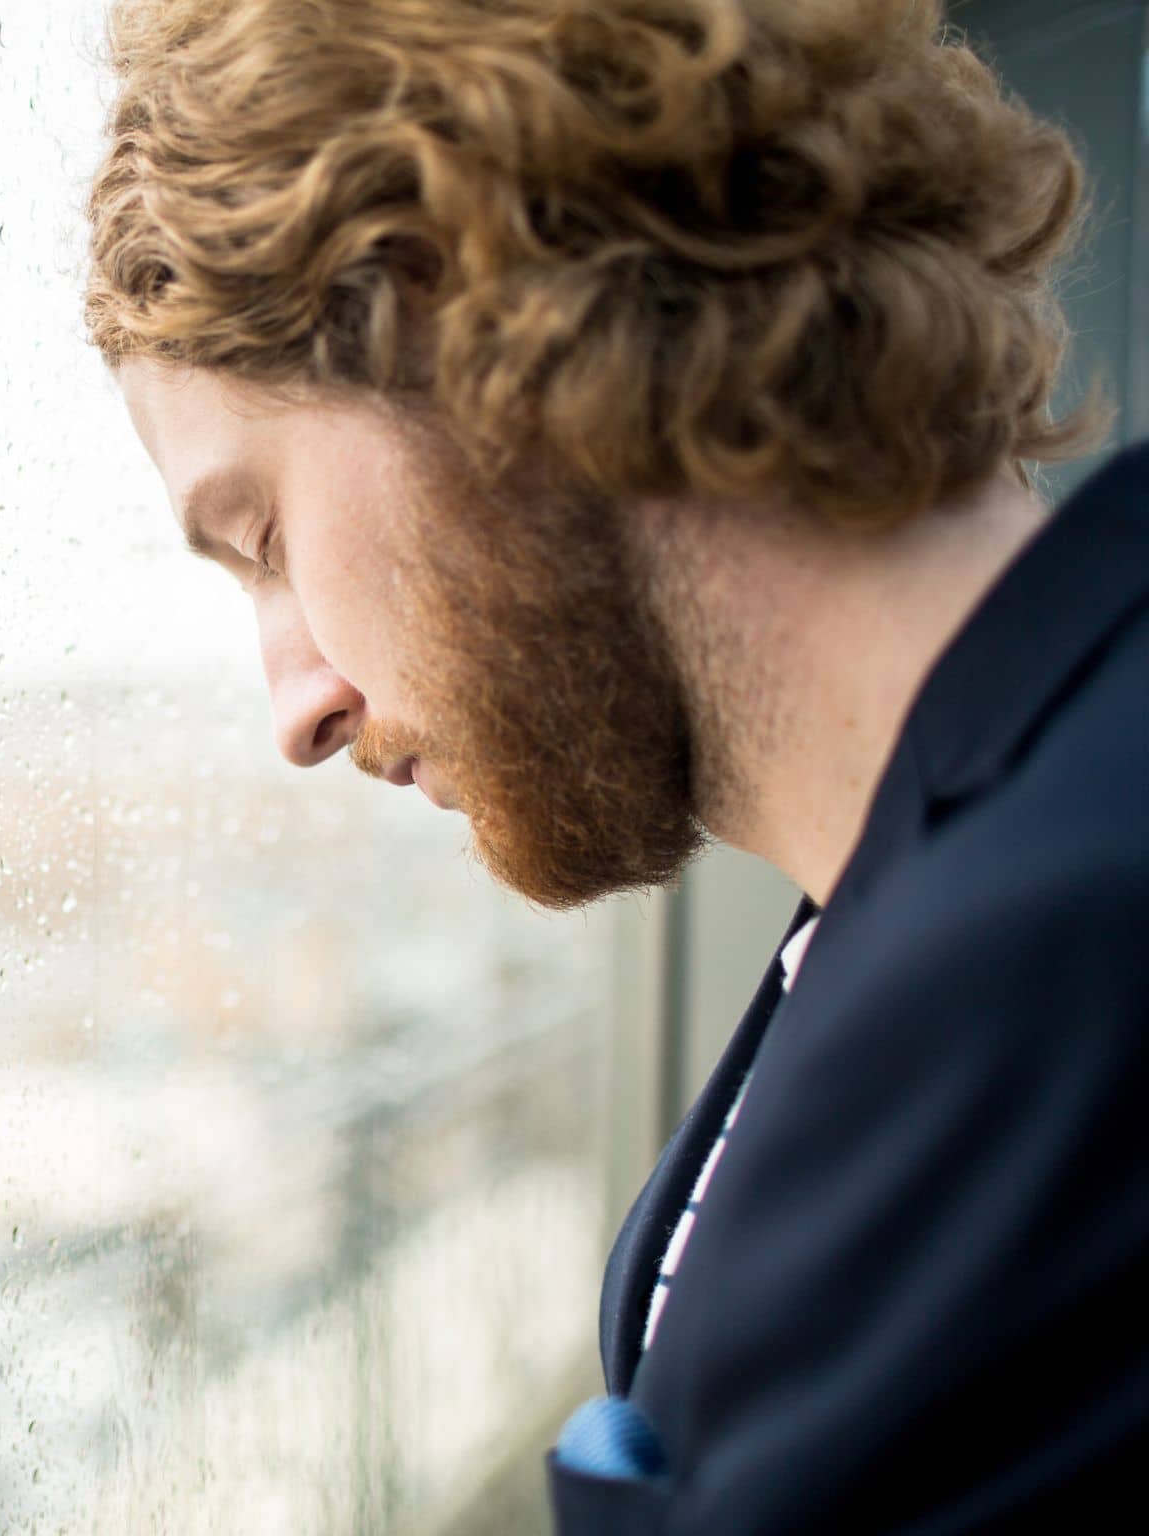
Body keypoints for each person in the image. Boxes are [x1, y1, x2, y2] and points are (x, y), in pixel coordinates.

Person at [83, 0, 1149, 1529]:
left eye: (263, 537)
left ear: (468, 305)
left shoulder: (1068, 959)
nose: (298, 707)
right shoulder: (939, 891)